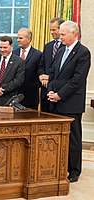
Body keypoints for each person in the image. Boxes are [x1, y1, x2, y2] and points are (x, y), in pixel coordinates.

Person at [47, 21, 91, 183]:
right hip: (55, 102)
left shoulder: (83, 53)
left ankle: (74, 170)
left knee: (72, 139)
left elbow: (77, 80)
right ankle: (58, 167)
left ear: (74, 34)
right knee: (56, 139)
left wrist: (60, 95)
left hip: (70, 104)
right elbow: (53, 74)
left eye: (63, 34)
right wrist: (51, 91)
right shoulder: (60, 51)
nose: (60, 36)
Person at [38, 17, 65, 112]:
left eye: (54, 29)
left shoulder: (66, 47)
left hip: (58, 92)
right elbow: (41, 65)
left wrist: (49, 77)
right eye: (50, 30)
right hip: (45, 91)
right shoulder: (48, 46)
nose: (51, 32)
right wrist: (41, 75)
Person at [13, 28, 42, 109]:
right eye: (17, 38)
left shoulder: (38, 55)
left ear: (28, 39)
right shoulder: (14, 54)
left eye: (20, 38)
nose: (18, 40)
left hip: (31, 97)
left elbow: (40, 73)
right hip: (15, 96)